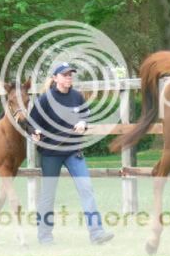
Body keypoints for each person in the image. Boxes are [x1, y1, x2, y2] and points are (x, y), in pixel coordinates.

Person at [29, 62, 114, 245]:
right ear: (55, 78)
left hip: (73, 151)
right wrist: (35, 132)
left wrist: (83, 122)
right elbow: (32, 122)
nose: (69, 77)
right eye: (65, 74)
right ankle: (44, 237)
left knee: (86, 189)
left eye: (70, 74)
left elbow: (85, 114)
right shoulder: (45, 99)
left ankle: (97, 233)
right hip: (51, 153)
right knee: (48, 194)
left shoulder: (77, 97)